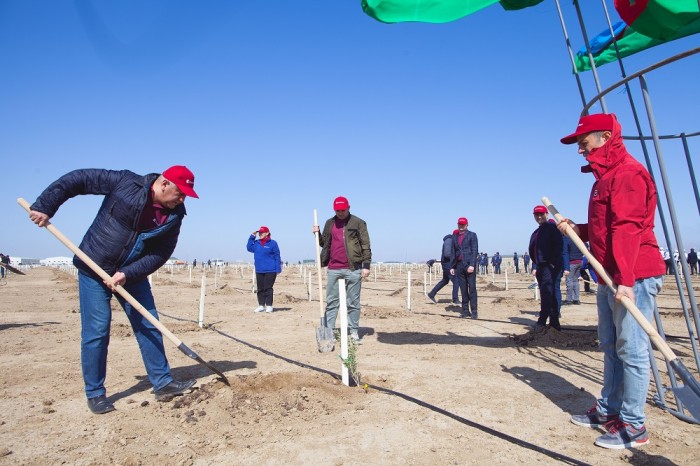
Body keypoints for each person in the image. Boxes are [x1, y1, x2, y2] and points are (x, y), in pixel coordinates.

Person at [28, 166, 200, 414]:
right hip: (94, 268)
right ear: (164, 184)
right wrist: (46, 205)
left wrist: (128, 273)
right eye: (180, 193)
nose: (182, 200)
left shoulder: (175, 216)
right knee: (97, 330)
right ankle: (95, 394)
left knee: (149, 323)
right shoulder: (125, 183)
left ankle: (163, 383)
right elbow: (78, 180)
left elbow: (160, 253)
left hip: (131, 274)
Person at [558, 113, 665, 449]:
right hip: (609, 276)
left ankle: (634, 426)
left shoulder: (629, 174)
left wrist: (627, 280)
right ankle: (609, 409)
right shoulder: (603, 179)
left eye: (583, 142)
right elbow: (607, 229)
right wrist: (580, 231)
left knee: (631, 349)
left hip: (634, 275)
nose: (580, 150)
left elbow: (628, 229)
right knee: (610, 346)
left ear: (605, 137)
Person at [314, 196, 371, 344]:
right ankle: (330, 331)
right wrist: (317, 233)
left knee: (353, 302)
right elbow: (324, 243)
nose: (340, 213)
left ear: (348, 208)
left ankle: (353, 332)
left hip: (353, 268)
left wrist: (366, 266)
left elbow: (365, 244)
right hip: (334, 268)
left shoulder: (358, 222)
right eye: (337, 210)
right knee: (332, 302)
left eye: (343, 210)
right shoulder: (330, 223)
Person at [528, 206, 563, 331]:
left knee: (548, 293)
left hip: (549, 266)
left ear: (547, 214)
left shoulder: (552, 228)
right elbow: (534, 250)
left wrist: (552, 263)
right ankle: (553, 322)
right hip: (541, 266)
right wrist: (536, 264)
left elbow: (559, 246)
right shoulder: (537, 231)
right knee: (547, 293)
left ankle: (543, 321)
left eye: (541, 214)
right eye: (536, 215)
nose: (539, 217)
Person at [247, 226, 282, 313]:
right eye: (259, 232)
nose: (260, 234)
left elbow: (277, 256)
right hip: (259, 269)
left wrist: (278, 268)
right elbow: (249, 248)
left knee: (268, 288)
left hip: (271, 270)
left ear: (267, 233)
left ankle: (269, 306)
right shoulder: (256, 243)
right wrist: (252, 236)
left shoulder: (273, 243)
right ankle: (261, 305)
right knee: (260, 288)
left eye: (262, 232)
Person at [449, 217, 479, 319]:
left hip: (469, 265)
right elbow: (453, 252)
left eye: (463, 224)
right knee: (463, 289)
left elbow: (475, 251)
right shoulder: (455, 237)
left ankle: (474, 311)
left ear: (466, 225)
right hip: (459, 265)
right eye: (459, 224)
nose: (461, 226)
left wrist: (472, 265)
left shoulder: (472, 235)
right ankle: (465, 311)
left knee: (472, 288)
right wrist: (452, 266)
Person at [427, 230, 460, 305]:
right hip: (447, 263)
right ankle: (455, 299)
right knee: (456, 280)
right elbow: (447, 254)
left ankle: (432, 294)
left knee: (445, 280)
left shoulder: (453, 241)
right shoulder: (449, 241)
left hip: (448, 263)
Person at [563, 236, 583, 305]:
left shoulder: (567, 239)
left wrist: (566, 267)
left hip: (571, 262)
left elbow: (565, 251)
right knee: (575, 281)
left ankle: (569, 299)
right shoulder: (579, 238)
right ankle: (576, 299)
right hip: (580, 261)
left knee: (569, 281)